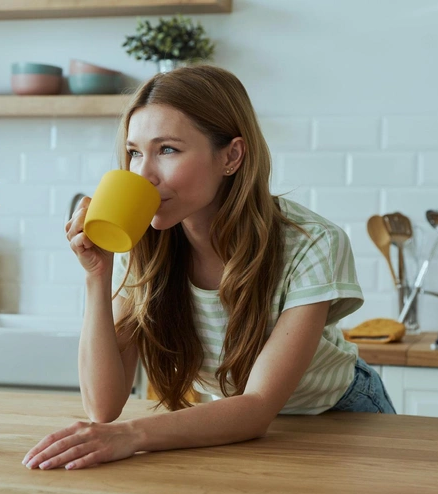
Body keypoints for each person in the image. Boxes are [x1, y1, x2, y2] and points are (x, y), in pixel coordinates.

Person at [22, 65, 395, 471]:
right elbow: (103, 405)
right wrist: (98, 274)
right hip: (227, 424)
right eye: (134, 152)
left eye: (167, 150)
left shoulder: (313, 243)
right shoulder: (142, 242)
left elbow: (256, 406)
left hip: (340, 417)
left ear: (231, 156)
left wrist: (132, 435)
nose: (144, 175)